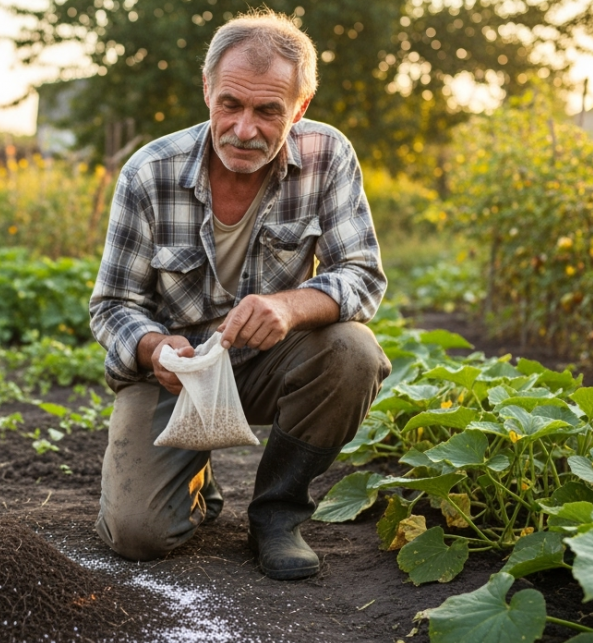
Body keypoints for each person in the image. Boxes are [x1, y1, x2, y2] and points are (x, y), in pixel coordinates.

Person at [88, 9, 393, 581]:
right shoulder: (149, 172)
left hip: (271, 363)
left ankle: (277, 513)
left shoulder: (327, 157)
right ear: (207, 91)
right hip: (174, 373)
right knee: (136, 535)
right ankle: (196, 484)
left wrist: (289, 306)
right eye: (230, 103)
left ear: (299, 109)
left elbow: (362, 274)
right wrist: (155, 348)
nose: (243, 129)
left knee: (354, 350)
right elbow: (112, 305)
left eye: (268, 111)